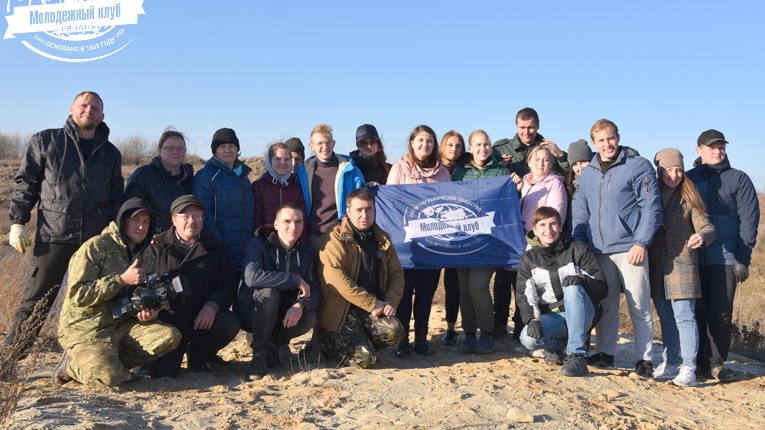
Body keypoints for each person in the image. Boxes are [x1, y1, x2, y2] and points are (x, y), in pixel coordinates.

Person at [7, 91, 124, 358]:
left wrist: (119, 234)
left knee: (94, 303)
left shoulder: (110, 153)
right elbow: (27, 184)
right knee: (36, 303)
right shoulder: (46, 140)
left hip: (95, 240)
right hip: (53, 235)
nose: (89, 111)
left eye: (95, 108)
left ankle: (81, 360)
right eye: (84, 105)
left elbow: (117, 197)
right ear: (72, 109)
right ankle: (10, 361)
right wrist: (17, 222)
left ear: (102, 116)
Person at [53, 198, 181, 388]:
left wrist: (146, 314)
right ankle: (71, 366)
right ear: (123, 221)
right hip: (87, 327)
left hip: (122, 325)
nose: (141, 227)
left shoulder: (146, 255)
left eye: (146, 222)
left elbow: (139, 297)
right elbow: (78, 295)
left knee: (170, 336)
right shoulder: (95, 247)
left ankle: (108, 362)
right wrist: (121, 280)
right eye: (135, 220)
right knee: (109, 378)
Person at [573, 119, 662, 379]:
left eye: (611, 138)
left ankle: (644, 360)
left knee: (639, 305)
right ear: (594, 143)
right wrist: (580, 247)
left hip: (630, 248)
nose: (607, 144)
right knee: (607, 304)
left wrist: (641, 242)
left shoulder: (638, 165)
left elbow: (651, 208)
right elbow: (581, 214)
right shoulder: (587, 173)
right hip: (599, 250)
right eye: (601, 140)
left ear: (618, 137)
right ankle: (605, 354)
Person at [686, 129, 759, 381]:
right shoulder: (688, 179)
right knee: (695, 312)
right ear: (699, 150)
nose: (718, 151)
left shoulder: (739, 179)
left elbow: (749, 220)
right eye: (712, 147)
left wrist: (742, 258)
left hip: (726, 258)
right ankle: (695, 362)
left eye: (721, 147)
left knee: (721, 313)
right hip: (693, 258)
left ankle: (716, 364)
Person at [146, 195, 241, 378]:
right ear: (174, 219)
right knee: (163, 373)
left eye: (197, 216)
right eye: (185, 216)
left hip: (202, 318)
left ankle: (199, 357)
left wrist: (212, 306)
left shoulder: (217, 247)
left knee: (229, 323)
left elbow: (228, 284)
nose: (191, 221)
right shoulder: (155, 247)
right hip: (169, 322)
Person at [314, 188, 406, 368]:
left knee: (395, 332)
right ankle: (324, 343)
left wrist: (391, 302)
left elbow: (397, 274)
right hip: (341, 311)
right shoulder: (335, 236)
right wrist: (371, 303)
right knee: (366, 360)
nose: (364, 215)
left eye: (369, 209)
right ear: (348, 212)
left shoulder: (382, 238)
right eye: (359, 210)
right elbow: (335, 279)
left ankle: (361, 342)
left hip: (371, 307)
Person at [648, 148, 716, 387]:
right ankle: (670, 364)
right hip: (657, 267)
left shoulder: (689, 196)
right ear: (660, 171)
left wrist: (702, 236)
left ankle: (689, 368)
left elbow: (708, 227)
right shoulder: (650, 194)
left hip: (683, 266)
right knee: (666, 319)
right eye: (668, 170)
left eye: (678, 170)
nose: (674, 175)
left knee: (685, 318)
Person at [517, 207, 608, 377]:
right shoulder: (528, 259)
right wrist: (532, 319)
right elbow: (525, 295)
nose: (548, 230)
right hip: (555, 315)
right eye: (542, 225)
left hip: (585, 312)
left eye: (553, 224)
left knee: (572, 288)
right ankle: (559, 348)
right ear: (534, 230)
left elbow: (602, 289)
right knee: (528, 340)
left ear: (560, 226)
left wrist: (583, 281)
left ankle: (577, 356)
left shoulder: (579, 249)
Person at [234, 203, 321, 380]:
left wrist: (300, 305)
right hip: (251, 308)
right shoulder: (256, 244)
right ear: (276, 224)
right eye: (287, 221)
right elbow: (252, 277)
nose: (293, 227)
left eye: (298, 222)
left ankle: (274, 346)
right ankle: (259, 355)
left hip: (282, 310)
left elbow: (315, 289)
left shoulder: (306, 254)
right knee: (269, 294)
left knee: (309, 317)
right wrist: (294, 279)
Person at [387, 125, 451, 358]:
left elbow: (449, 202)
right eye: (421, 140)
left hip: (432, 244)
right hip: (405, 245)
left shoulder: (443, 172)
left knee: (425, 293)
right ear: (412, 143)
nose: (425, 145)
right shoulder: (398, 169)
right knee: (404, 294)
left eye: (430, 141)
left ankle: (422, 339)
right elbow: (390, 203)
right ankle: (402, 341)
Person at [451, 130, 509, 354]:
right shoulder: (460, 172)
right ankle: (468, 334)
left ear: (491, 147)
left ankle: (486, 333)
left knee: (478, 286)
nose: (482, 149)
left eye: (486, 144)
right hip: (462, 239)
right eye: (478, 145)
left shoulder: (501, 171)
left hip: (488, 241)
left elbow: (506, 202)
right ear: (470, 147)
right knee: (464, 290)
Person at [192, 128, 255, 275]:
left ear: (237, 149)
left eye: (231, 146)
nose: (228, 150)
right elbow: (204, 216)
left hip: (245, 253)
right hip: (220, 253)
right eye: (222, 146)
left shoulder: (244, 178)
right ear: (215, 150)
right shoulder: (206, 176)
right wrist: (219, 247)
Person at [295, 123, 365, 255]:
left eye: (328, 142)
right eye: (320, 143)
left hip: (340, 235)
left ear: (334, 143)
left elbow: (363, 201)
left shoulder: (351, 171)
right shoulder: (303, 173)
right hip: (311, 237)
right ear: (311, 146)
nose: (325, 147)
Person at [124, 127, 194, 234]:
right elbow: (129, 212)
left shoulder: (191, 179)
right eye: (169, 148)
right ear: (159, 150)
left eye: (180, 148)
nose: (175, 152)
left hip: (184, 239)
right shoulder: (143, 176)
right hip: (154, 239)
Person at [432, 130, 466, 346]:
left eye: (458, 146)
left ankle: (451, 328)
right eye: (450, 145)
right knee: (429, 284)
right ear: (442, 146)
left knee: (453, 285)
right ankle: (421, 329)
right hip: (434, 233)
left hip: (458, 235)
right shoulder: (433, 167)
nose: (454, 149)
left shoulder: (467, 168)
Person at [252, 142, 308, 243]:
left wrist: (300, 246)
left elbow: (303, 220)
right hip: (266, 244)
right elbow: (256, 219)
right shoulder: (259, 186)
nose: (283, 163)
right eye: (278, 159)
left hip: (292, 244)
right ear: (270, 161)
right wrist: (261, 245)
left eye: (286, 159)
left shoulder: (297, 188)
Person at [492, 107, 570, 177]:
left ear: (538, 125)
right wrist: (496, 166)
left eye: (530, 127)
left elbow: (569, 177)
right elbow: (486, 178)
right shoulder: (501, 149)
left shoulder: (550, 150)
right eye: (522, 127)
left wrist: (562, 157)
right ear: (516, 126)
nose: (526, 132)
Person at [513, 146, 568, 232]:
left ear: (551, 164)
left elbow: (556, 218)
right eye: (537, 159)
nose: (541, 163)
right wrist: (516, 192)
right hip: (518, 235)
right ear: (529, 162)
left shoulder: (555, 185)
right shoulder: (523, 184)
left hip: (536, 237)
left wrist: (536, 236)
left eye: (546, 160)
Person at [563, 139, 594, 233]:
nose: (580, 168)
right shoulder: (569, 185)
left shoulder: (599, 182)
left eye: (583, 162)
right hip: (573, 235)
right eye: (575, 164)